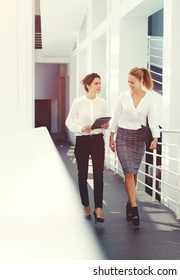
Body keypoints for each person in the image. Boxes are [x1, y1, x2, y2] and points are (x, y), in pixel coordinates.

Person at [109, 67, 160, 226]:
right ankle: (135, 208)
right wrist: (111, 135)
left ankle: (129, 202)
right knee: (128, 173)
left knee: (135, 173)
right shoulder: (123, 97)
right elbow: (116, 116)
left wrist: (155, 137)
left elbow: (152, 118)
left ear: (140, 81)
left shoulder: (149, 99)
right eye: (128, 82)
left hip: (139, 138)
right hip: (123, 137)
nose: (129, 84)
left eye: (132, 82)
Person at [65, 73, 109, 224]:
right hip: (82, 141)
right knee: (82, 174)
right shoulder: (78, 102)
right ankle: (86, 206)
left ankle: (98, 209)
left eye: (100, 83)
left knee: (99, 174)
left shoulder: (102, 102)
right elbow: (69, 122)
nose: (99, 86)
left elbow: (104, 122)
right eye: (96, 83)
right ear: (88, 85)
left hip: (97, 140)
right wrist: (80, 128)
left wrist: (105, 126)